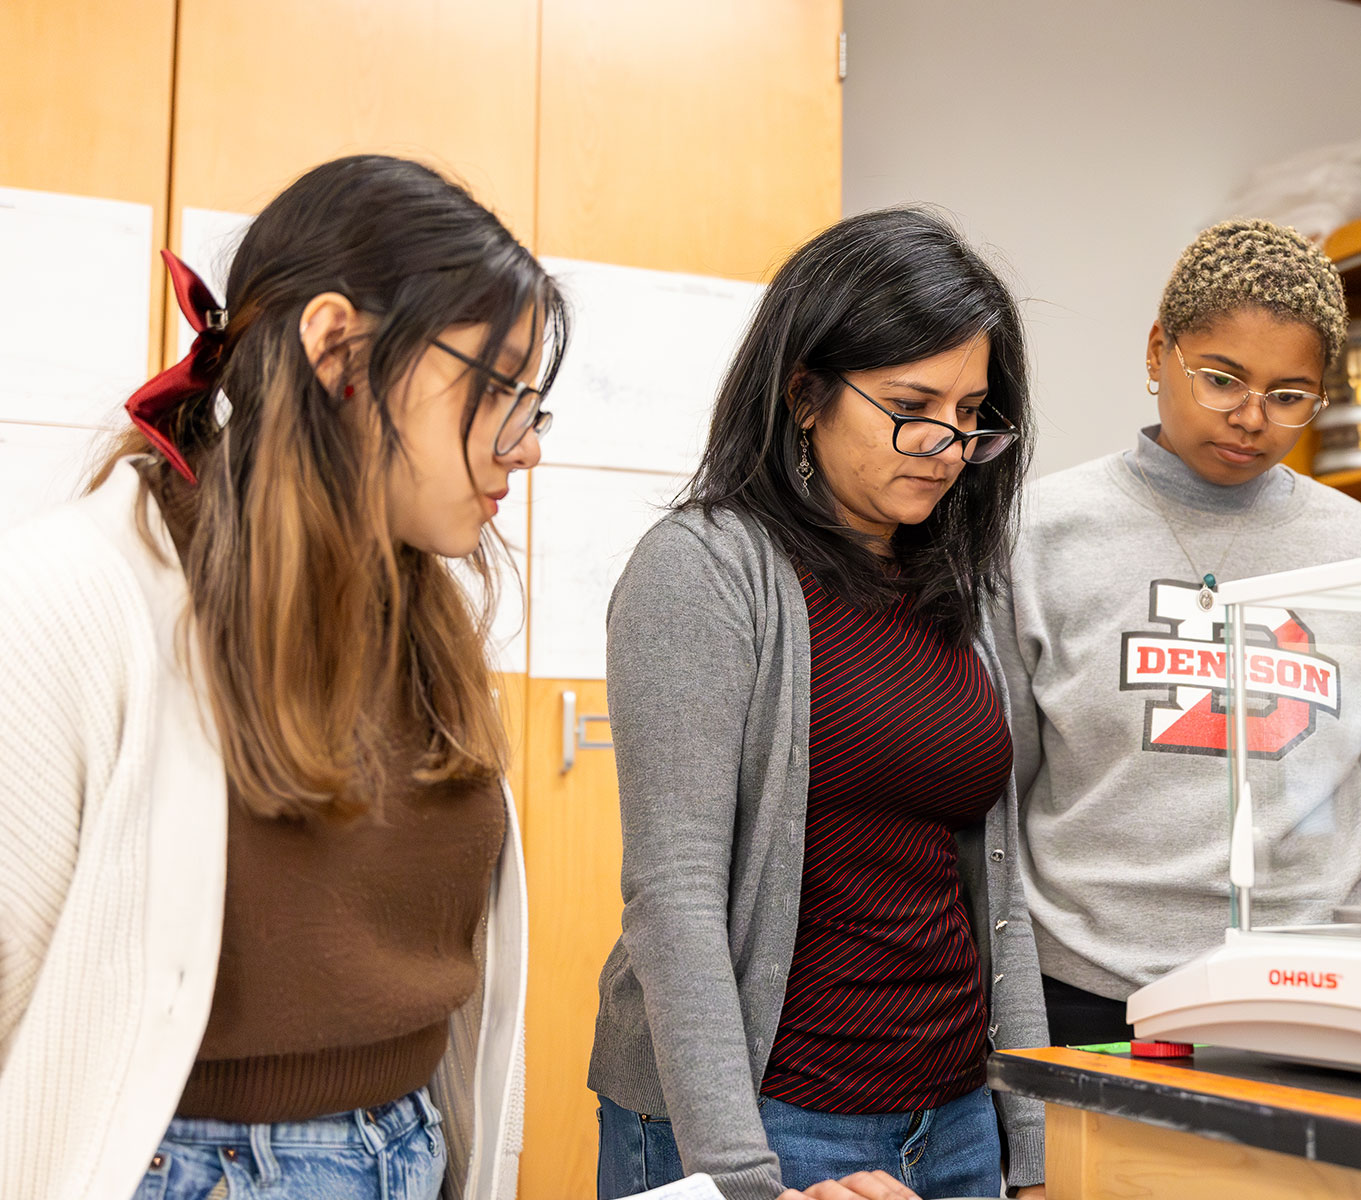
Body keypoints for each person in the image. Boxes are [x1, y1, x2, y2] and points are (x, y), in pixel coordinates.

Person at [0, 154, 564, 1200]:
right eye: (495, 390)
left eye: (531, 400)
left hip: (410, 1150)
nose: (525, 446)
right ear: (338, 349)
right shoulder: (70, 597)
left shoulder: (423, 621)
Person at [592, 208, 1048, 1200]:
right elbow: (673, 894)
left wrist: (1028, 1137)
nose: (943, 442)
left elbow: (995, 885)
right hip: (767, 1117)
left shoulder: (968, 589)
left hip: (956, 1116)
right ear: (804, 392)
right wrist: (743, 1180)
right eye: (909, 404)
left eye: (970, 415)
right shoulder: (702, 571)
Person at [996, 218, 1361, 1047]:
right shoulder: (1039, 533)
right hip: (1093, 986)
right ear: (1157, 354)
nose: (1252, 418)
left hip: (1320, 981)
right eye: (1221, 379)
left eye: (1289, 396)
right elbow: (999, 797)